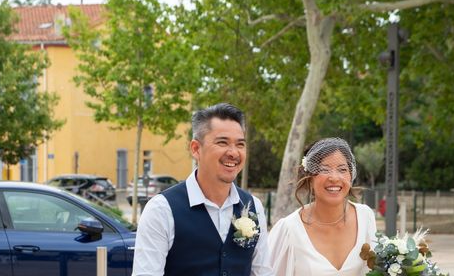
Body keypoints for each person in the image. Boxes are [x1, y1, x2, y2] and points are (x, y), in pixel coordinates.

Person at [132, 103, 274, 276]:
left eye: (240, 144)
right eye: (222, 142)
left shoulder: (254, 207)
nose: (233, 153)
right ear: (196, 149)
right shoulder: (161, 209)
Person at [268, 137, 377, 276]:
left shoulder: (365, 217)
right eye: (325, 170)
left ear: (351, 175)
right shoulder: (288, 229)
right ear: (309, 177)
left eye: (342, 169)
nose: (334, 177)